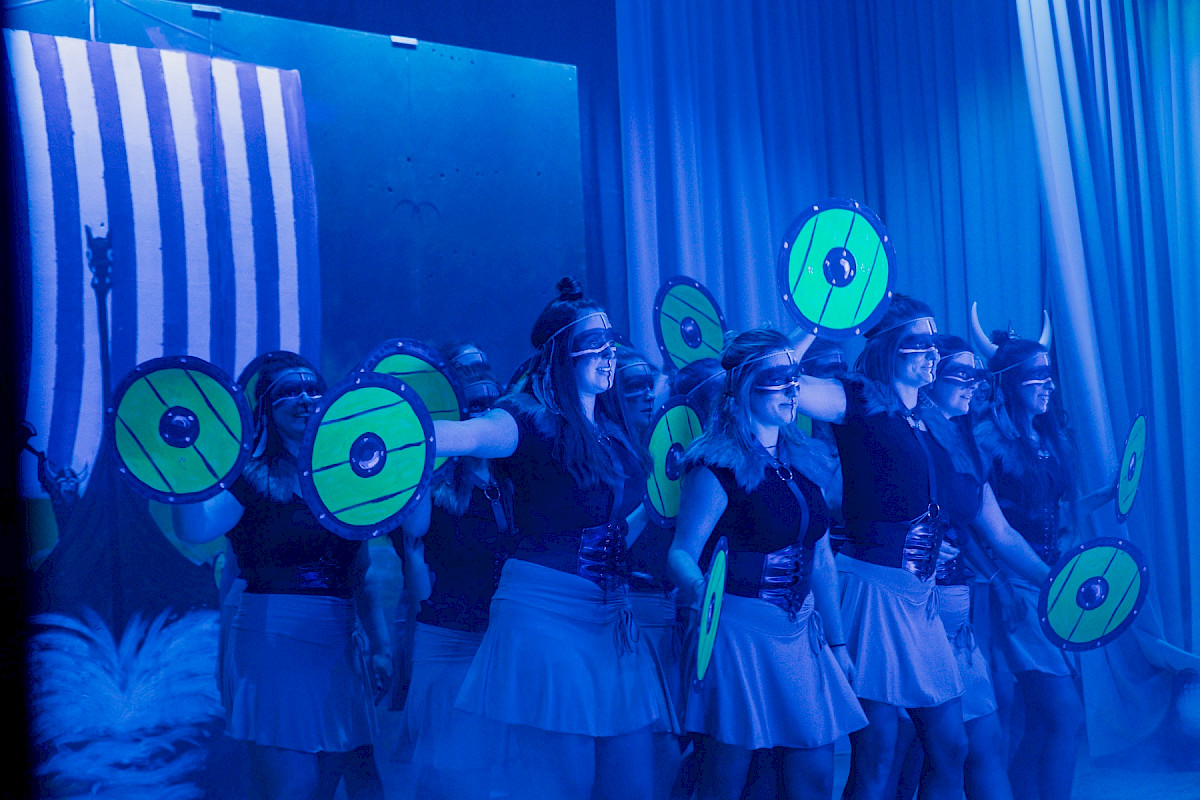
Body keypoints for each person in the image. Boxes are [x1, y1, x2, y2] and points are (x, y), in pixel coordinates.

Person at [434, 277, 668, 800]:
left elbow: (610, 527)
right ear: (562, 352)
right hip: (545, 612)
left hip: (612, 618)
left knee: (633, 783)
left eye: (611, 343)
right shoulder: (525, 418)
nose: (608, 355)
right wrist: (401, 434)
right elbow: (468, 435)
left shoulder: (613, 428)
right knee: (566, 782)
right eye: (594, 345)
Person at [173, 353, 389, 800]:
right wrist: (181, 473)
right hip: (273, 641)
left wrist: (381, 646)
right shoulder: (250, 477)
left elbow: (363, 574)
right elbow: (195, 530)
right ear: (266, 410)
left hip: (338, 644)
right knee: (294, 788)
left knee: (331, 785)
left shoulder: (348, 477)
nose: (306, 399)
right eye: (290, 392)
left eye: (313, 389)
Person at [668, 328, 865, 800]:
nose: (792, 390)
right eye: (776, 380)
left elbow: (821, 558)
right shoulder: (716, 465)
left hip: (801, 633)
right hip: (738, 634)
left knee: (814, 773)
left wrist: (838, 643)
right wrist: (701, 593)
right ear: (741, 387)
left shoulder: (803, 462)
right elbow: (680, 553)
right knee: (729, 779)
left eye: (794, 378)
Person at [784, 295, 968, 800]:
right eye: (919, 343)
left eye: (934, 343)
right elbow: (786, 381)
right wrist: (811, 321)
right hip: (875, 592)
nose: (933, 354)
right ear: (888, 347)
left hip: (921, 596)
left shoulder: (925, 417)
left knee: (951, 746)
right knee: (878, 756)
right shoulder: (857, 398)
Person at [889, 335, 1053, 800]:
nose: (972, 385)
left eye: (976, 376)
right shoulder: (903, 434)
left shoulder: (965, 444)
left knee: (982, 740)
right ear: (930, 377)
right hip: (908, 609)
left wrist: (1055, 583)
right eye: (959, 375)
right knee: (907, 751)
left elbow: (1000, 532)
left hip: (955, 609)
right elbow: (855, 506)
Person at [970, 322, 1112, 800]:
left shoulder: (1048, 438)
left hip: (1052, 583)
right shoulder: (986, 442)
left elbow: (1052, 509)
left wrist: (1102, 497)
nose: (1048, 386)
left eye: (1049, 376)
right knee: (1063, 714)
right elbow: (981, 525)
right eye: (1036, 378)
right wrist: (1005, 581)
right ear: (1010, 383)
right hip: (1016, 586)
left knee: (1042, 718)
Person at [393, 343, 516, 799]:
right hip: (449, 640)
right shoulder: (436, 486)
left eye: (493, 403)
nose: (485, 413)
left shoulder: (515, 481)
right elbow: (413, 536)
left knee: (498, 775)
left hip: (502, 644)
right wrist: (425, 457)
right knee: (446, 775)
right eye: (475, 406)